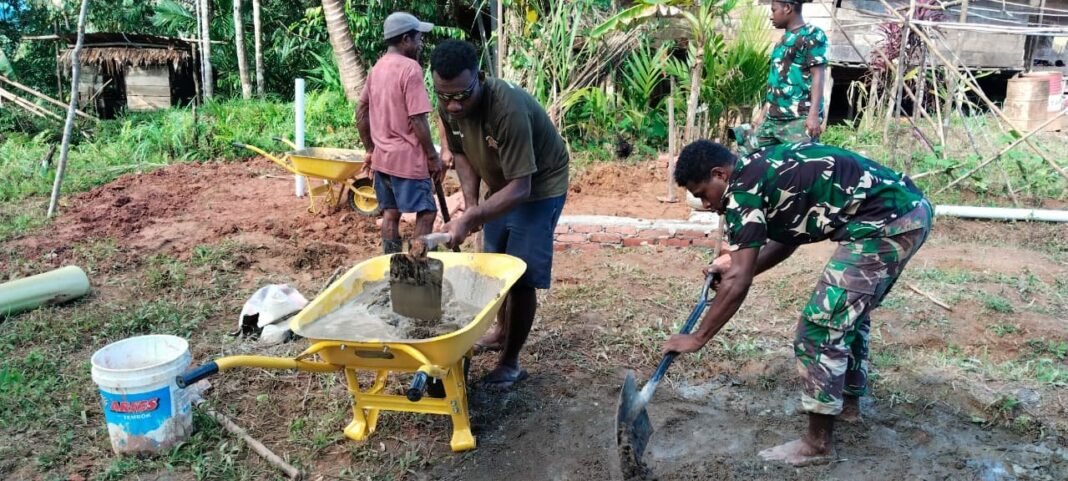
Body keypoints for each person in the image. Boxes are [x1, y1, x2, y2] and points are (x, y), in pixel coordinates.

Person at [664, 139, 933, 466]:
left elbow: (739, 281)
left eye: (703, 193)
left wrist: (698, 337)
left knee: (820, 327)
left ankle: (818, 444)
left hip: (885, 224)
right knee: (847, 317)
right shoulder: (759, 169)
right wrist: (735, 264)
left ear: (720, 174)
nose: (706, 204)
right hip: (905, 211)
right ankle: (847, 407)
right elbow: (785, 240)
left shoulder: (741, 192)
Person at [429, 40, 569, 388]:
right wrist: (472, 203)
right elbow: (460, 152)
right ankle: (501, 331)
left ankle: (511, 362)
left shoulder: (507, 108)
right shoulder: (449, 101)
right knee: (493, 267)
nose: (453, 104)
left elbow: (521, 187)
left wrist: (470, 219)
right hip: (501, 183)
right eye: (445, 96)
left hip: (538, 186)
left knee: (519, 277)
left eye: (461, 94)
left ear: (480, 76)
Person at [356, 12, 443, 254]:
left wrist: (371, 150)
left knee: (391, 214)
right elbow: (417, 118)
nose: (421, 43)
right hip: (408, 160)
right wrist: (432, 156)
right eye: (418, 38)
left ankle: (391, 265)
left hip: (383, 160)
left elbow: (360, 112)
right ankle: (415, 273)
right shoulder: (410, 69)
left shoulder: (377, 68)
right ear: (406, 39)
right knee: (427, 213)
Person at [756, 0, 828, 148]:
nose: (771, 16)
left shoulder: (812, 35)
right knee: (751, 161)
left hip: (798, 120)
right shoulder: (781, 42)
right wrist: (762, 115)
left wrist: (813, 115)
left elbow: (818, 75)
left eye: (774, 10)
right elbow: (775, 81)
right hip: (772, 120)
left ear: (787, 8)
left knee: (800, 168)